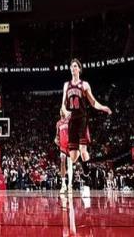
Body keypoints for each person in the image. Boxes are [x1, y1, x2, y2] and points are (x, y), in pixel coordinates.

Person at [60, 58, 112, 197]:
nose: (73, 68)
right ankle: (87, 171)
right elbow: (63, 105)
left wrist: (104, 107)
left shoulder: (84, 85)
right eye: (71, 66)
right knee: (73, 157)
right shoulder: (66, 85)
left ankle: (87, 177)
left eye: (75, 66)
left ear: (79, 69)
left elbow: (93, 102)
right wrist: (65, 111)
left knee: (83, 150)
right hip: (72, 121)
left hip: (82, 119)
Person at [55, 109, 71, 194]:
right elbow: (57, 136)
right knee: (62, 162)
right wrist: (56, 140)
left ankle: (70, 184)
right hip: (62, 146)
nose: (62, 112)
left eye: (63, 110)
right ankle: (63, 184)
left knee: (70, 164)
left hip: (70, 144)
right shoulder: (58, 123)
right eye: (60, 111)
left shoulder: (69, 120)